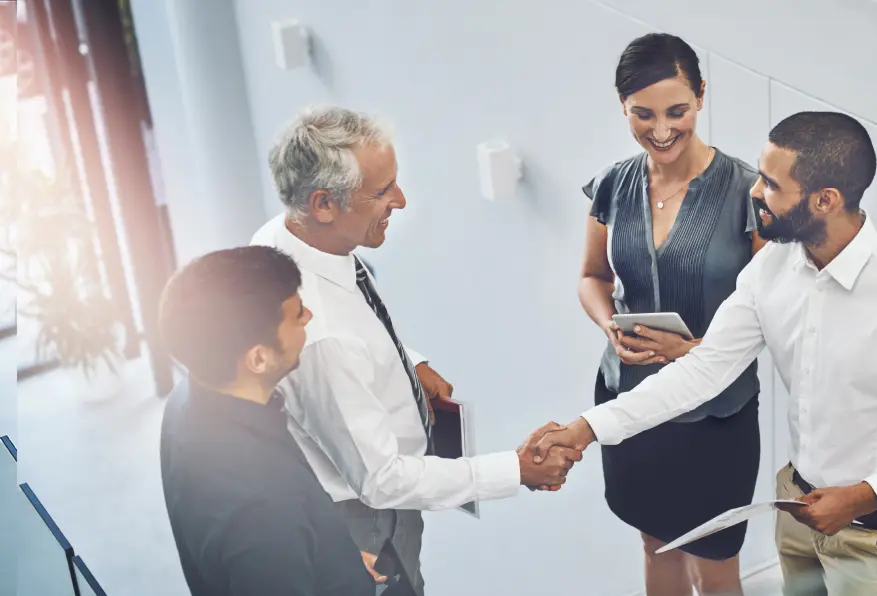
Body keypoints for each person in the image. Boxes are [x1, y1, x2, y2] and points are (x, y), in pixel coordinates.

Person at [532, 111, 877, 596]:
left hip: (873, 532)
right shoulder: (771, 268)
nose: (754, 193)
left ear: (826, 200)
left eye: (771, 185)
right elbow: (705, 369)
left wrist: (863, 497)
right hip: (797, 506)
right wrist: (587, 429)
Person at [251, 105, 579, 596]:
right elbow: (382, 480)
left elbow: (354, 316)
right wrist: (516, 469)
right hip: (371, 525)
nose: (400, 201)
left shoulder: (284, 239)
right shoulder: (323, 338)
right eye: (382, 192)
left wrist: (409, 361)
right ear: (323, 204)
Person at [575, 32, 768, 596]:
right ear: (623, 106)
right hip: (630, 398)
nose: (661, 131)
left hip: (716, 415)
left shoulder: (747, 194)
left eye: (677, 111)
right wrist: (609, 323)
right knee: (654, 542)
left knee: (714, 563)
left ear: (702, 97)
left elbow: (767, 314)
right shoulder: (613, 183)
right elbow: (592, 277)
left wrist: (695, 352)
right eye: (643, 115)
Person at [158, 246, 384, 596]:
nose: (308, 315)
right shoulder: (264, 507)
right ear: (258, 358)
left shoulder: (186, 399)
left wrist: (336, 560)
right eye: (296, 314)